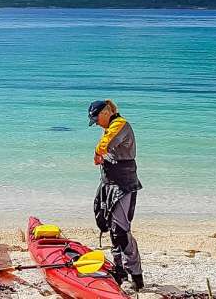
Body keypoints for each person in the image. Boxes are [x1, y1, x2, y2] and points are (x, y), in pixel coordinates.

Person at [88, 99, 144, 291]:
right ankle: (119, 270)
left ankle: (136, 276)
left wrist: (97, 154)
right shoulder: (111, 125)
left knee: (121, 231)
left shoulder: (119, 125)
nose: (96, 124)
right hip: (109, 183)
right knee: (109, 226)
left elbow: (105, 144)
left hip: (122, 183)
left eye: (96, 120)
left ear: (105, 113)